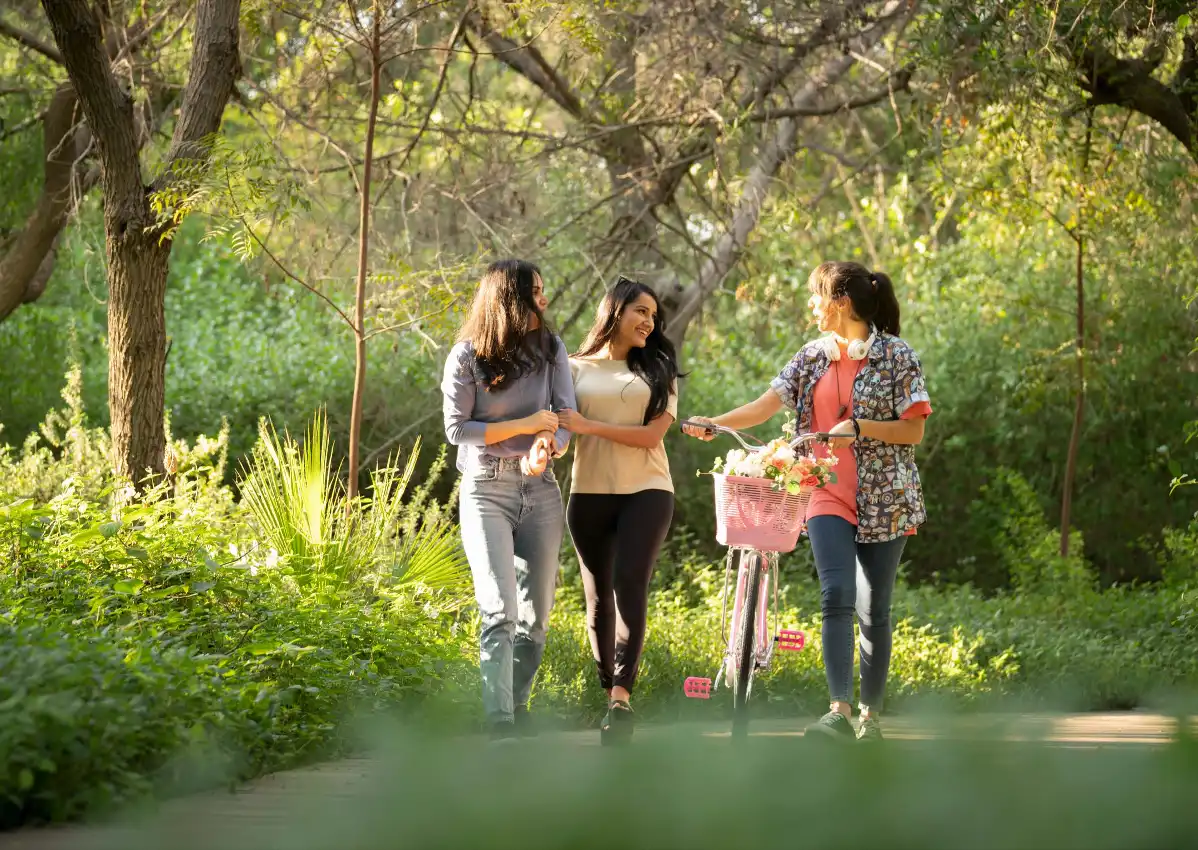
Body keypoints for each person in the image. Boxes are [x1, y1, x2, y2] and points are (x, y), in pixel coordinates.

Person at [683, 261, 932, 742]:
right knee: (836, 595)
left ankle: (870, 717)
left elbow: (914, 429)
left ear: (840, 302)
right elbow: (764, 405)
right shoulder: (811, 358)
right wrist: (714, 422)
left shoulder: (898, 356)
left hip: (888, 498)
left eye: (817, 296)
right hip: (823, 491)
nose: (811, 305)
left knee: (873, 608)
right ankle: (838, 710)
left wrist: (860, 428)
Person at [441, 259, 576, 742]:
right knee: (500, 610)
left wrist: (547, 446)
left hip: (540, 491)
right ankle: (498, 722)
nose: (543, 300)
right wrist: (524, 427)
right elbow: (457, 429)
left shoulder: (551, 349)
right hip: (485, 489)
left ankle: (515, 706)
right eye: (533, 292)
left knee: (535, 620)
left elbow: (564, 416)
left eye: (543, 290)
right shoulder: (466, 357)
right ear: (507, 300)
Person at [557, 277, 681, 745]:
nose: (649, 322)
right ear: (615, 310)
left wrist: (588, 423)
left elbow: (651, 438)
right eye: (641, 312)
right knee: (596, 600)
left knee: (630, 583)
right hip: (587, 495)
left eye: (654, 316)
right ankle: (608, 691)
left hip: (647, 491)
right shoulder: (571, 369)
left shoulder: (659, 369)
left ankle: (622, 699)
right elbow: (562, 432)